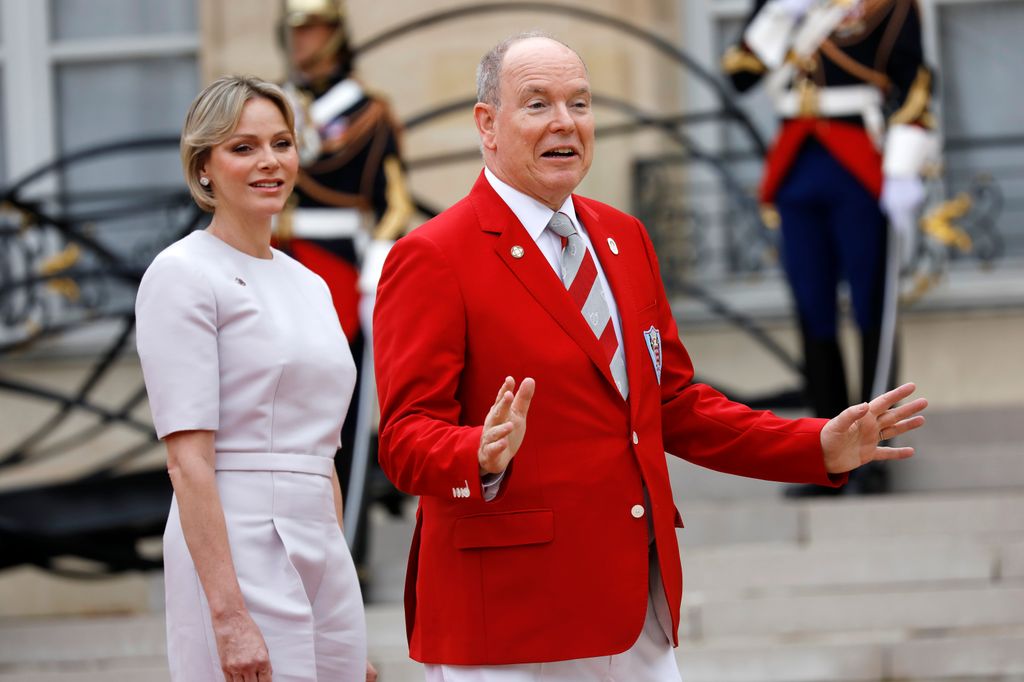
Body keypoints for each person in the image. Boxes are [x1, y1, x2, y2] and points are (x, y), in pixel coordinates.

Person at [372, 33, 927, 681]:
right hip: (509, 618)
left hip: (634, 609)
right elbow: (406, 440)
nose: (565, 123)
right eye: (537, 104)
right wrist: (479, 453)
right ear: (486, 124)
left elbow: (676, 405)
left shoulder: (622, 238)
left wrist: (816, 447)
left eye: (580, 104)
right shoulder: (434, 255)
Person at [136, 75, 374, 682]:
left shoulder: (313, 284)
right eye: (243, 147)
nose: (269, 162)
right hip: (235, 542)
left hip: (321, 538)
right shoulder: (182, 274)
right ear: (204, 167)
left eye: (282, 143)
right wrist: (228, 614)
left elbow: (325, 452)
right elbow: (188, 463)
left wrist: (339, 602)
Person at [721, 0, 939, 494]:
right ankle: (825, 452)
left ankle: (876, 450)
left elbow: (915, 83)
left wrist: (905, 165)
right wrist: (780, 14)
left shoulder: (890, 5)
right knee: (813, 310)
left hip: (858, 162)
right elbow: (740, 73)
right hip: (798, 164)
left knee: (871, 308)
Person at [277, 0, 414, 560]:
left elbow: (395, 201)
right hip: (273, 255)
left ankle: (343, 549)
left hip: (336, 265)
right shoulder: (272, 107)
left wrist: (375, 269)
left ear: (334, 33)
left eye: (312, 29)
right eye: (296, 31)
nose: (302, 41)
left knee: (340, 408)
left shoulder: (370, 113)